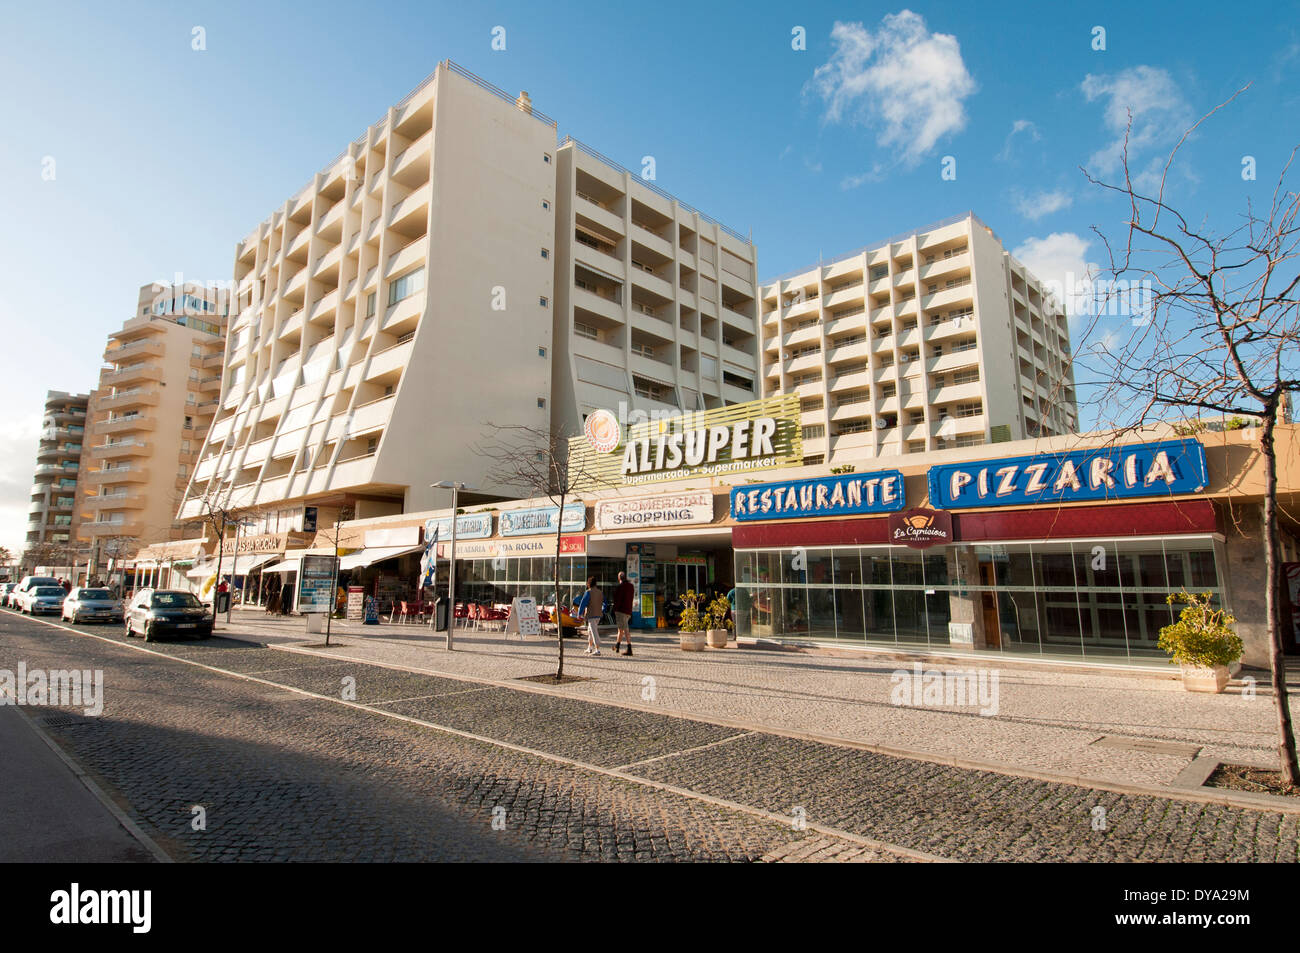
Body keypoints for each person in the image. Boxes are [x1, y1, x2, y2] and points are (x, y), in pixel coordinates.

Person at [575, 575, 603, 657]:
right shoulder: (600, 592)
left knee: (593, 632)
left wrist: (579, 614)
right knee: (590, 631)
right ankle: (589, 647)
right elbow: (604, 603)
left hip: (591, 615)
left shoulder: (588, 592)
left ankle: (597, 649)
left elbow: (583, 603)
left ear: (589, 583)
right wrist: (603, 610)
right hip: (598, 615)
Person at [612, 570, 635, 656]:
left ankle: (629, 649)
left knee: (625, 629)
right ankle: (617, 646)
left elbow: (617, 600)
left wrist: (614, 610)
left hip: (621, 611)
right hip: (628, 611)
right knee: (620, 629)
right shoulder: (631, 586)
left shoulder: (620, 587)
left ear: (619, 578)